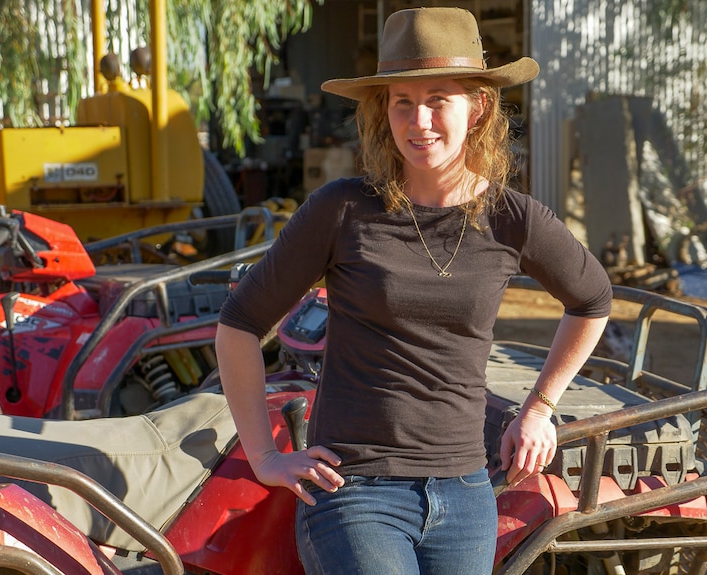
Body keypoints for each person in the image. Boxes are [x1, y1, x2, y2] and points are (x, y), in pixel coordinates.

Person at [216, 6, 612, 575]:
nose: (418, 119)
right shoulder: (342, 209)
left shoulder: (512, 218)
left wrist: (540, 408)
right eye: (402, 100)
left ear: (476, 108)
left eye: (438, 99)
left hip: (465, 490)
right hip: (354, 490)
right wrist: (264, 457)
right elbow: (239, 325)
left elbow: (593, 299)